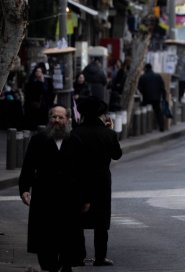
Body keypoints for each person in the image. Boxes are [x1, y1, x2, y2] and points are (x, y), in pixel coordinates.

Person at [19, 106, 90, 272]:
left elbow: (84, 171)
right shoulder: (38, 140)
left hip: (70, 198)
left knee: (68, 235)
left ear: (67, 120)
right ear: (49, 119)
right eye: (54, 117)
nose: (57, 121)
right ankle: (50, 265)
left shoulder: (75, 141)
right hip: (45, 196)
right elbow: (28, 166)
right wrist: (24, 189)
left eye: (61, 117)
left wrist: (87, 198)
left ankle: (66, 264)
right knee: (46, 236)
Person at [73, 96, 122, 267]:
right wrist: (111, 131)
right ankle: (100, 257)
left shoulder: (75, 133)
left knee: (78, 220)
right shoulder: (108, 134)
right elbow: (117, 154)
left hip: (79, 180)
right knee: (101, 222)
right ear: (101, 114)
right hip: (101, 181)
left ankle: (78, 256)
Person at [137, 63, 168, 132]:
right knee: (158, 112)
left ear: (145, 69)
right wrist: (164, 97)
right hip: (156, 97)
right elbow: (162, 88)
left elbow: (139, 88)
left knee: (143, 111)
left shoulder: (143, 77)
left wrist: (143, 93)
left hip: (146, 98)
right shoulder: (158, 76)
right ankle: (161, 127)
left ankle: (144, 128)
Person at [24, 65, 56, 131]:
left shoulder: (47, 80)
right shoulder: (32, 81)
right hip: (34, 103)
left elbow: (49, 91)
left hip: (45, 103)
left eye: (40, 71)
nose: (38, 73)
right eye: (37, 71)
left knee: (44, 119)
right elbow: (30, 92)